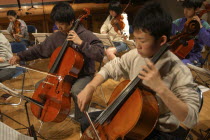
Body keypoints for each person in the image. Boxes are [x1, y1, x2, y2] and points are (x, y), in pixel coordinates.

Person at [77, 2, 200, 139]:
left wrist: (161, 88)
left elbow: (191, 118)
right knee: (86, 124)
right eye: (135, 39)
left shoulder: (179, 71)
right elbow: (111, 67)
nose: (137, 45)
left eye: (142, 40)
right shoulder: (136, 54)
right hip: (129, 114)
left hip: (159, 128)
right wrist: (91, 86)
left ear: (162, 40)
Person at [9, 2, 104, 122]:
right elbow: (39, 49)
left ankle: (82, 120)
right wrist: (19, 56)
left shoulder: (85, 35)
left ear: (71, 21)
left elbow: (100, 54)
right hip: (61, 76)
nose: (58, 27)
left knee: (76, 91)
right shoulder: (57, 37)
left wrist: (81, 43)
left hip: (84, 75)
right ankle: (49, 112)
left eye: (62, 23)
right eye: (57, 23)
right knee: (40, 86)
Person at [172, 0, 210, 65]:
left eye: (189, 9)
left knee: (179, 65)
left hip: (194, 58)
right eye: (184, 8)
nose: (185, 12)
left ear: (197, 9)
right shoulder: (178, 22)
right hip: (177, 54)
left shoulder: (204, 25)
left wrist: (200, 27)